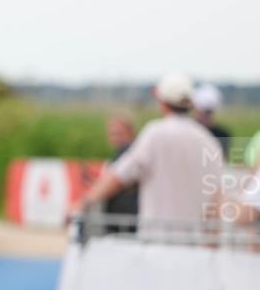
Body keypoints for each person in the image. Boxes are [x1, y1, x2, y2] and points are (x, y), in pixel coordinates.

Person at [70, 73, 224, 234]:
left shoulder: (155, 134)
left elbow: (119, 176)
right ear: (191, 103)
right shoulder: (209, 142)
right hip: (193, 244)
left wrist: (83, 203)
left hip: (156, 239)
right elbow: (216, 199)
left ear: (162, 102)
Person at [102, 114, 139, 232]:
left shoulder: (129, 152)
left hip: (127, 224)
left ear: (131, 133)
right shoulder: (118, 156)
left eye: (120, 133)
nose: (116, 138)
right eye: (113, 134)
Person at [193, 83, 231, 158]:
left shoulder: (223, 135)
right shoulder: (188, 132)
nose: (206, 116)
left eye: (209, 112)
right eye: (203, 112)